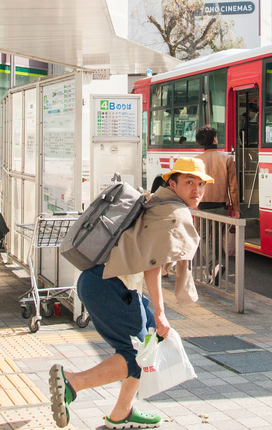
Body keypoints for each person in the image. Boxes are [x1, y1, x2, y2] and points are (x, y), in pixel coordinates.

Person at [48, 158, 214, 429]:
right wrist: (160, 313)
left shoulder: (157, 201)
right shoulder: (173, 212)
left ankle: (122, 412)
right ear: (172, 183)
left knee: (149, 344)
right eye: (189, 182)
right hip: (110, 287)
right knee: (139, 355)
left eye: (201, 184)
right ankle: (71, 383)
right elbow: (152, 265)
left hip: (100, 282)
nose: (197, 190)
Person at [195, 125, 241, 280]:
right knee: (215, 238)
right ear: (215, 139)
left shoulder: (197, 161)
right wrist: (236, 208)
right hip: (222, 205)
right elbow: (233, 186)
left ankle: (213, 265)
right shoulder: (227, 158)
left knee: (202, 237)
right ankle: (212, 272)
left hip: (202, 205)